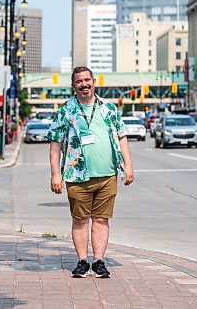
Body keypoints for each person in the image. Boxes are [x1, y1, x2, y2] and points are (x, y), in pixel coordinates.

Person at [47, 66, 134, 279]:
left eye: (87, 80)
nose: (84, 84)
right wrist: (55, 174)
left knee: (102, 220)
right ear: (73, 85)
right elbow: (55, 144)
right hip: (77, 175)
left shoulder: (109, 108)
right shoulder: (65, 111)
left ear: (94, 81)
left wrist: (128, 166)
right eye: (79, 81)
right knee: (80, 219)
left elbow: (122, 137)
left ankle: (99, 261)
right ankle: (82, 261)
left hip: (108, 175)